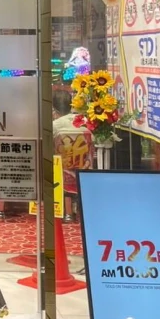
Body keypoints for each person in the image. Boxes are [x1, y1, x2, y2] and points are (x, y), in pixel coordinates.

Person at [52, 88, 91, 220]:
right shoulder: (84, 121)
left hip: (63, 170)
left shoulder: (55, 125)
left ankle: (67, 212)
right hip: (84, 167)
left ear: (54, 108)